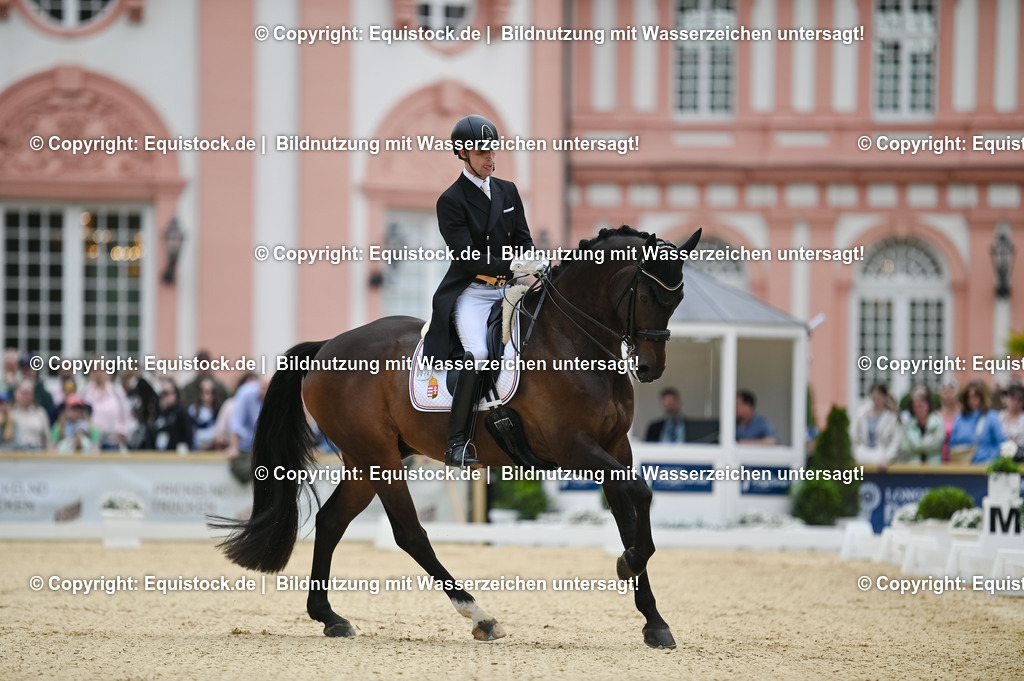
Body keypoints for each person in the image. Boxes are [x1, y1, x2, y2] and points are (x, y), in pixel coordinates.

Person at [421, 114, 543, 467]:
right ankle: (456, 443)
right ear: (462, 153)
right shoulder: (451, 200)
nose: (489, 158)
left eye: (492, 150)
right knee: (478, 356)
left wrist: (534, 260)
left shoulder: (508, 190)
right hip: (473, 292)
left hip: (509, 289)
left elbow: (523, 238)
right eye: (480, 152)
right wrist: (514, 266)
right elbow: (467, 257)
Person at [948, 379, 1005, 464]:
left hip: (984, 466)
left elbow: (1001, 443)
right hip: (962, 466)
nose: (972, 399)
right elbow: (952, 443)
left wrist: (990, 459)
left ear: (982, 397)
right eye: (969, 396)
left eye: (976, 396)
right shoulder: (959, 418)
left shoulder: (991, 417)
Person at [227, 374, 269, 482]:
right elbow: (236, 422)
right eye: (264, 387)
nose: (266, 392)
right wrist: (234, 447)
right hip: (245, 448)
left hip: (267, 450)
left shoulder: (280, 397)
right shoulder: (246, 392)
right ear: (258, 384)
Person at [851, 383, 901, 466]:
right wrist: (854, 454)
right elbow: (853, 436)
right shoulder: (860, 414)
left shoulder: (892, 417)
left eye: (879, 395)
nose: (876, 398)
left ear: (885, 396)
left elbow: (895, 441)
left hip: (882, 457)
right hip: (861, 455)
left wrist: (887, 459)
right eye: (874, 395)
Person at [82, 367, 130, 450]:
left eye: (102, 370)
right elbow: (83, 414)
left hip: (113, 440)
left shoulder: (117, 391)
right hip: (91, 440)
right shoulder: (86, 392)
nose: (99, 374)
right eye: (95, 370)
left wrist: (122, 431)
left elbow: (126, 413)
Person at [897, 385, 944, 464]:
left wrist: (915, 446)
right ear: (912, 408)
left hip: (934, 467)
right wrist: (929, 443)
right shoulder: (907, 424)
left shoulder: (938, 421)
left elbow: (938, 444)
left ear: (928, 405)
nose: (920, 408)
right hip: (914, 467)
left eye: (922, 405)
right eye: (917, 406)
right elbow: (904, 447)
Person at [150, 378, 194, 452]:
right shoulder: (157, 413)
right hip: (158, 456)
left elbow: (188, 436)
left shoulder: (181, 412)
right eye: (164, 393)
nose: (169, 396)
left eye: (172, 392)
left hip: (175, 456)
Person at [10, 380, 51, 450]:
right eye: (23, 393)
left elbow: (48, 439)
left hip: (36, 454)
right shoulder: (9, 412)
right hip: (14, 454)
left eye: (28, 393)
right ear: (16, 393)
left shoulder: (40, 412)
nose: (25, 396)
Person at [187, 376, 221, 450]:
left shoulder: (219, 411)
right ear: (200, 393)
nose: (209, 395)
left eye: (212, 392)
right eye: (206, 392)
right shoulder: (193, 410)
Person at [998, 384, 1024, 460]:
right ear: (1006, 398)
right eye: (1013, 398)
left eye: (1019, 400)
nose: (1015, 402)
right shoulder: (998, 417)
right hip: (999, 457)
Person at [937, 378, 960, 463]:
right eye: (945, 392)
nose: (948, 395)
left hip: (960, 458)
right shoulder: (937, 415)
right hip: (940, 459)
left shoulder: (964, 414)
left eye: (951, 391)